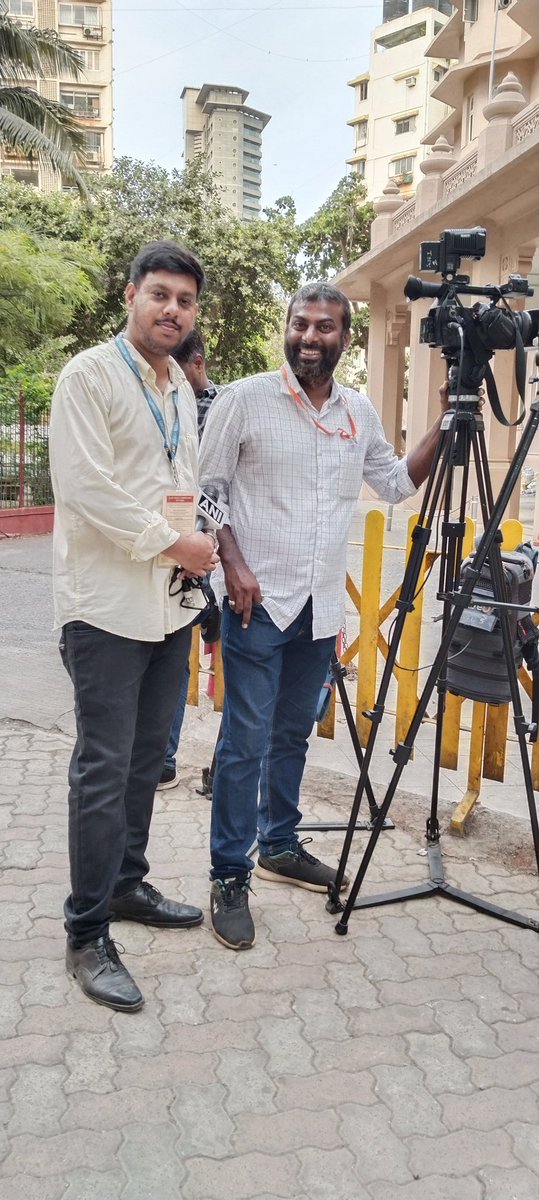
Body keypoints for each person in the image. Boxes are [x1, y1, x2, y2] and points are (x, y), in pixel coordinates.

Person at [199, 280, 448, 951]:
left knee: (290, 738)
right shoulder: (243, 400)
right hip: (257, 604)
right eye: (300, 325)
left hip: (316, 610)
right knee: (243, 744)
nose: (310, 337)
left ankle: (278, 844)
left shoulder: (358, 412)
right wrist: (232, 563)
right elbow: (204, 490)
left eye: (325, 328)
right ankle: (228, 875)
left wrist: (443, 424)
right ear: (287, 327)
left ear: (344, 336)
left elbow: (394, 484)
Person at [49, 240, 219, 1011]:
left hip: (167, 607)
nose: (171, 310)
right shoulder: (88, 375)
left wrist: (196, 543)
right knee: (104, 767)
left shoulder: (180, 385)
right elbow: (86, 488)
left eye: (183, 301)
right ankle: (86, 933)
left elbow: (176, 479)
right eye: (159, 295)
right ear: (129, 296)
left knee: (150, 758)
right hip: (107, 609)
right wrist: (172, 542)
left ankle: (126, 887)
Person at [157, 329, 220, 789]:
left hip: (212, 558)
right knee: (173, 659)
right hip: (167, 548)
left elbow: (216, 489)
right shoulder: (159, 401)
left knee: (212, 662)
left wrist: (201, 542)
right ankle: (161, 757)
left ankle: (215, 767)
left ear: (195, 364)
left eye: (177, 370)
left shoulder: (218, 408)